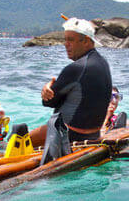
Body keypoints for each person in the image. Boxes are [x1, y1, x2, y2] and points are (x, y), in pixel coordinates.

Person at [30, 17, 112, 146]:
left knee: (17, 139)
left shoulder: (76, 68)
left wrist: (46, 87)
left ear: (86, 41)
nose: (65, 44)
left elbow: (49, 101)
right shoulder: (103, 63)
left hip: (67, 135)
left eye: (70, 40)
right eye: (65, 39)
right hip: (93, 134)